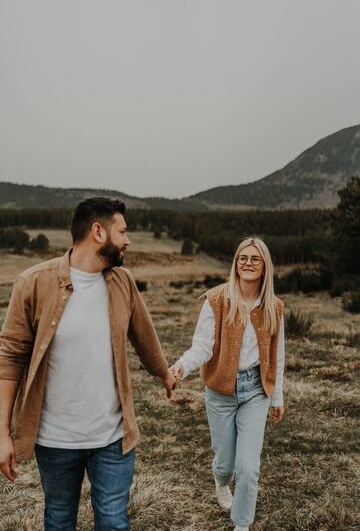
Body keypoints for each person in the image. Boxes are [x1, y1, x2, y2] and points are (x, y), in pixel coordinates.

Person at [0, 197, 176, 531]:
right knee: (60, 518)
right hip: (54, 440)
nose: (128, 240)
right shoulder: (33, 283)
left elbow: (145, 336)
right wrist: (2, 433)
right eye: (122, 231)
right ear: (98, 231)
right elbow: (9, 360)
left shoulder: (122, 282)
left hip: (112, 437)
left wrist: (164, 373)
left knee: (113, 522)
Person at [170, 237, 285, 531]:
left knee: (248, 467)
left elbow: (277, 355)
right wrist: (181, 366)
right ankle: (221, 482)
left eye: (254, 259)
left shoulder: (274, 307)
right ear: (235, 264)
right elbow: (202, 347)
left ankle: (241, 524)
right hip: (220, 391)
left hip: (256, 391)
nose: (247, 263)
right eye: (242, 258)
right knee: (226, 464)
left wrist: (277, 396)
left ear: (264, 267)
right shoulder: (217, 300)